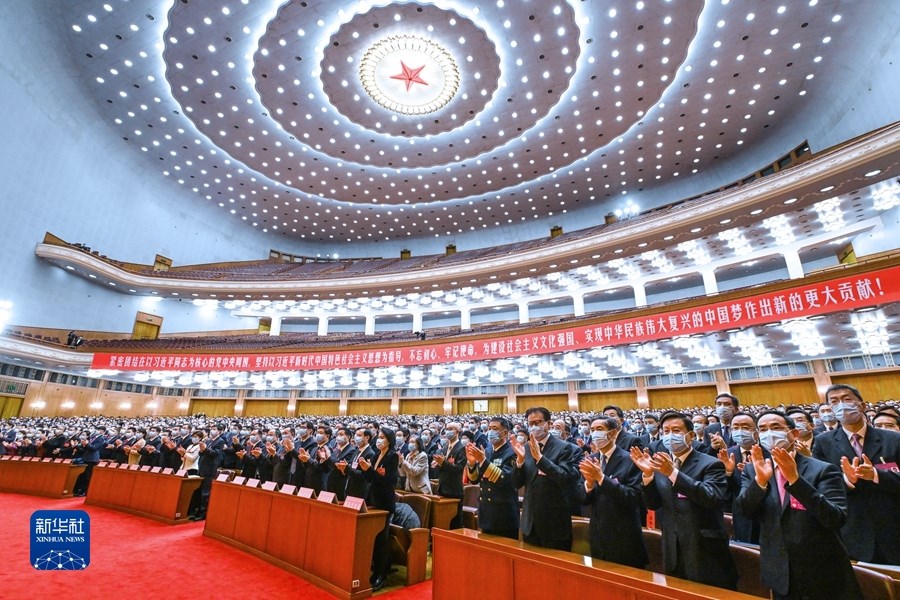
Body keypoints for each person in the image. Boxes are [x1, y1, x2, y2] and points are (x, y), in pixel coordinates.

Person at [736, 411, 863, 600]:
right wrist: (760, 482)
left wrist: (795, 480)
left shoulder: (823, 469)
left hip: (823, 570)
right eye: (762, 429)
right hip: (779, 571)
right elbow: (745, 511)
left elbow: (835, 518)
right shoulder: (753, 469)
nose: (769, 433)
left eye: (775, 427)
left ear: (794, 434)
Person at [630, 411, 738, 590]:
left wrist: (673, 473)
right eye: (666, 431)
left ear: (691, 435)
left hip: (705, 550)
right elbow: (653, 504)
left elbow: (711, 497)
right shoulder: (661, 465)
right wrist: (648, 475)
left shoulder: (711, 464)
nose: (670, 435)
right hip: (672, 548)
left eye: (676, 430)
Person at [812, 384, 900, 565]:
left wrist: (875, 474)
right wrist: (847, 481)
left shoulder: (893, 438)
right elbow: (821, 486)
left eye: (846, 399)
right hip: (853, 529)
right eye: (834, 402)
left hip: (893, 523)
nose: (841, 405)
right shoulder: (822, 442)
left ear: (862, 405)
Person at [579, 416, 647, 568]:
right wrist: (589, 484)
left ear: (613, 433)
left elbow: (634, 498)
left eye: (599, 429)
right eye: (592, 430)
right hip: (598, 534)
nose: (595, 433)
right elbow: (582, 499)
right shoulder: (591, 459)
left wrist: (601, 478)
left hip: (624, 536)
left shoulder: (631, 460)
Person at [511, 406, 581, 550]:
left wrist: (540, 458)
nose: (534, 427)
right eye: (530, 423)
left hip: (554, 523)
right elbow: (517, 483)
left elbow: (564, 477)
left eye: (538, 422)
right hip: (530, 523)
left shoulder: (564, 447)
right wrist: (519, 462)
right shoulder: (526, 448)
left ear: (548, 424)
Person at [465, 417, 519, 540]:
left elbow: (504, 479)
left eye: (494, 428)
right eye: (489, 428)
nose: (490, 431)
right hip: (486, 511)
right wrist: (472, 463)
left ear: (504, 433)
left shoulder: (512, 452)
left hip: (504, 513)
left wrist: (483, 461)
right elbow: (474, 479)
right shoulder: (487, 451)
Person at [361, 427, 399, 592]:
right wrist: (366, 470)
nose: (379, 440)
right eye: (379, 437)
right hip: (373, 500)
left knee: (381, 540)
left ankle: (381, 574)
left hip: (385, 502)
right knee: (374, 538)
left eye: (382, 437)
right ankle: (376, 569)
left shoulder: (393, 456)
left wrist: (370, 470)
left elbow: (388, 481)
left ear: (389, 440)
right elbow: (371, 479)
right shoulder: (376, 455)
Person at [719, 411, 762, 544]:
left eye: (745, 427)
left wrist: (754, 474)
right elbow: (723, 492)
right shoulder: (727, 454)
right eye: (735, 427)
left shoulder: (771, 451)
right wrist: (728, 473)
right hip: (741, 516)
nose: (740, 431)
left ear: (756, 431)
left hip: (766, 514)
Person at [433, 422, 466, 528]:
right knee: (443, 522)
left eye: (451, 429)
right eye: (447, 429)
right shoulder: (445, 446)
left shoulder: (461, 448)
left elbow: (459, 469)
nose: (448, 431)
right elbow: (442, 466)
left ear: (457, 431)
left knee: (455, 523)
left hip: (454, 490)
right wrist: (437, 464)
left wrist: (443, 463)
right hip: (443, 488)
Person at [191, 425, 225, 521]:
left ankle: (203, 514)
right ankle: (196, 511)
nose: (212, 431)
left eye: (214, 429)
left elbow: (215, 454)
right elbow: (201, 453)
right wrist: (202, 450)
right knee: (198, 492)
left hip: (210, 470)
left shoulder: (220, 441)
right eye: (211, 429)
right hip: (202, 468)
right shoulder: (208, 440)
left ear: (219, 431)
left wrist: (205, 449)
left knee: (205, 493)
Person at [324, 426, 358, 501]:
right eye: (337, 434)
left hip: (340, 485)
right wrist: (324, 458)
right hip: (330, 483)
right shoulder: (336, 450)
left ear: (348, 437)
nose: (338, 436)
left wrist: (329, 455)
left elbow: (339, 466)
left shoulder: (351, 450)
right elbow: (330, 464)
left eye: (341, 434)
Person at [73, 426, 107, 497]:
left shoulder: (101, 438)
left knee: (87, 476)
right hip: (86, 457)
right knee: (82, 475)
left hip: (92, 459)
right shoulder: (93, 437)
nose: (97, 430)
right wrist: (82, 445)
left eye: (99, 429)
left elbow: (94, 448)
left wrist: (87, 444)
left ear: (103, 431)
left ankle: (84, 491)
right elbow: (86, 448)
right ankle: (79, 490)